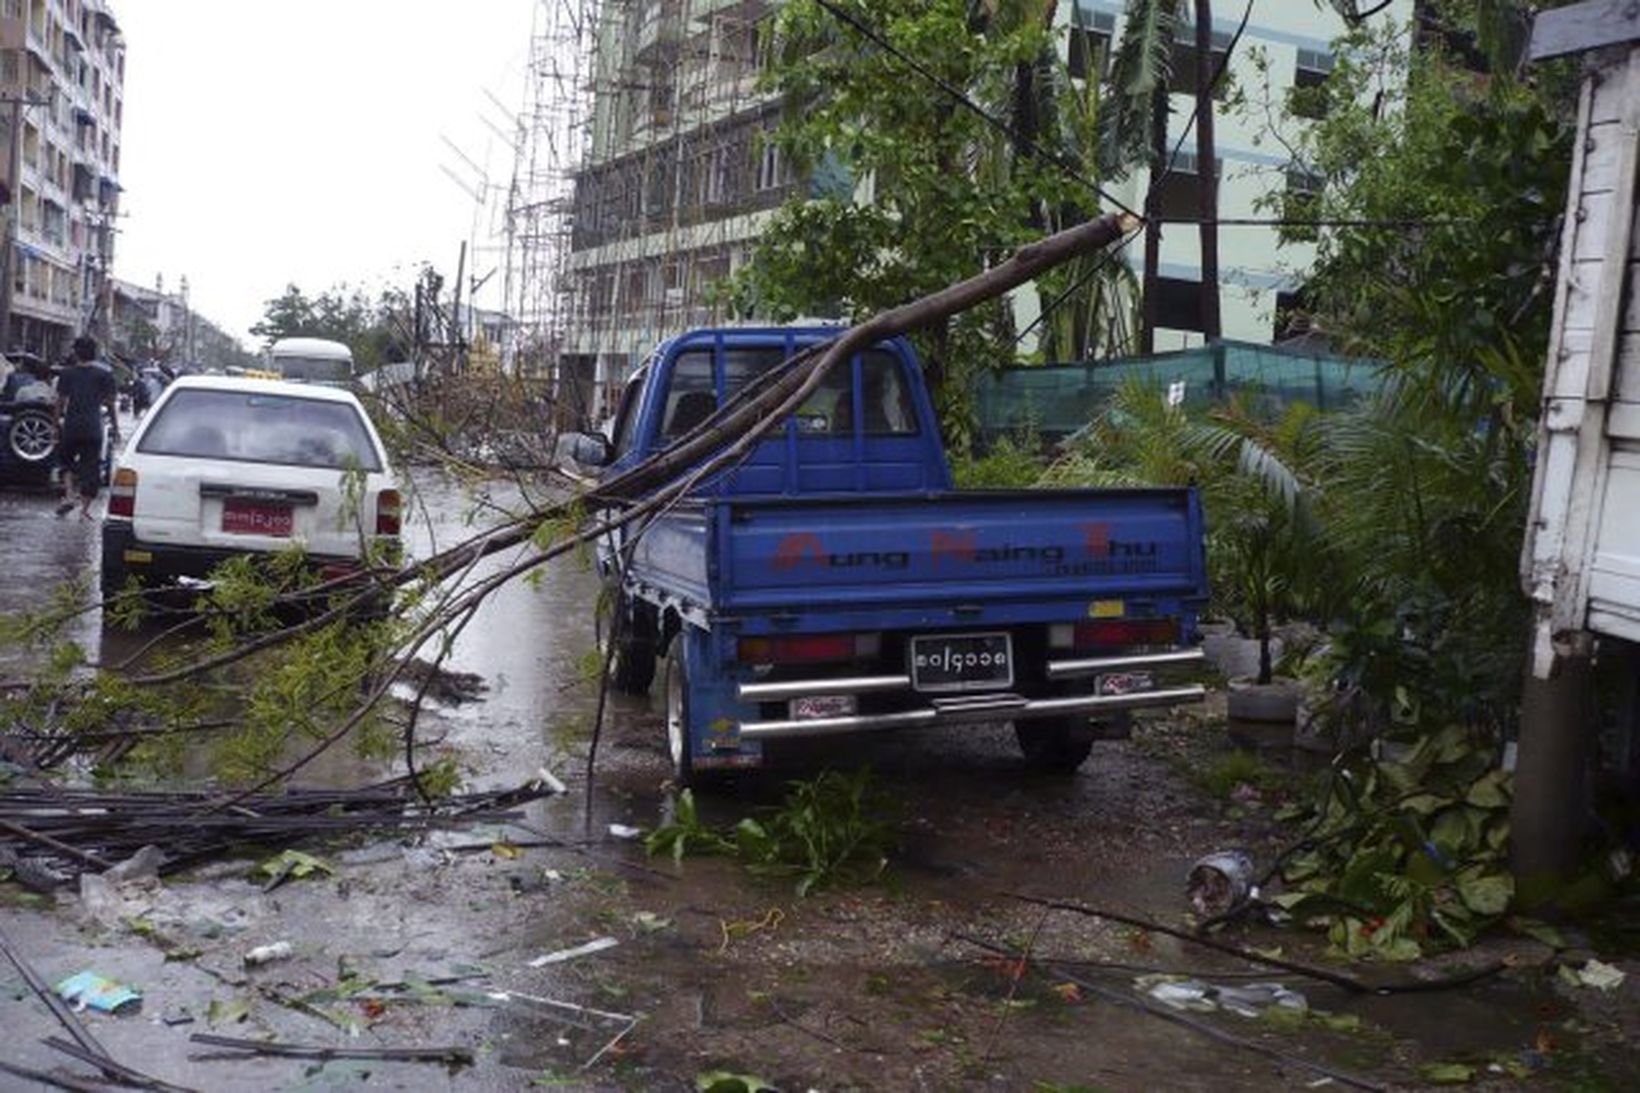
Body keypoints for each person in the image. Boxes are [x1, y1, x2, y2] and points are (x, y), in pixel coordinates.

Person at [54, 335, 119, 518]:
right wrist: (116, 427)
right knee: (91, 468)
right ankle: (84, 511)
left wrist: (54, 425)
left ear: (75, 352)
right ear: (94, 354)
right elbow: (111, 404)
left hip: (72, 425)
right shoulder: (105, 375)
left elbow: (59, 402)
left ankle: (68, 495)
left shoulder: (67, 374)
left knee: (65, 461)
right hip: (93, 427)